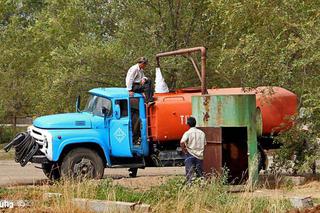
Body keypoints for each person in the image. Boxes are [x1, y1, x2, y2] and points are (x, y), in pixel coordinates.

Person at [180, 117, 206, 184]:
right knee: (200, 174)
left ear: (188, 124)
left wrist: (185, 151)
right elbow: (205, 144)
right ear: (195, 123)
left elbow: (182, 142)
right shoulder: (202, 133)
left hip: (190, 155)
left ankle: (190, 188)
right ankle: (201, 189)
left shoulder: (187, 133)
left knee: (190, 174)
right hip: (200, 156)